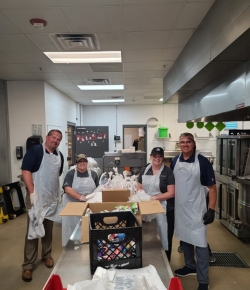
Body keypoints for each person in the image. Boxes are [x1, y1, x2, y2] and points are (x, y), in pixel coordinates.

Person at [171, 133, 217, 290]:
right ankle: (190, 265)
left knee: (201, 244)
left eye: (188, 142)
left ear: (193, 143)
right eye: (182, 142)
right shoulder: (175, 161)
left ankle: (203, 281)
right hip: (181, 209)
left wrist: (211, 209)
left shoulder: (202, 162)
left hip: (197, 209)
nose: (185, 145)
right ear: (179, 144)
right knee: (184, 238)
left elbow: (212, 188)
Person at [21, 129, 64, 282]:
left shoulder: (60, 156)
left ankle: (46, 255)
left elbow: (56, 175)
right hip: (36, 198)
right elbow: (25, 171)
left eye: (59, 139)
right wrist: (32, 192)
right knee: (33, 229)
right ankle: (28, 265)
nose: (56, 141)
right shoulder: (36, 151)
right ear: (47, 137)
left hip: (51, 199)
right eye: (53, 137)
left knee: (48, 229)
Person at [137, 147, 175, 261]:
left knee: (164, 235)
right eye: (155, 156)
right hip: (147, 207)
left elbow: (171, 193)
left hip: (164, 208)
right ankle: (150, 260)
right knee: (149, 234)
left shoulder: (168, 172)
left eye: (159, 156)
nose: (157, 159)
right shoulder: (144, 170)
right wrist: (144, 196)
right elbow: (139, 187)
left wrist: (154, 198)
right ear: (151, 157)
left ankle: (166, 262)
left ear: (162, 158)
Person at [62, 154, 99, 246]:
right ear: (76, 163)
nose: (82, 163)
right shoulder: (70, 174)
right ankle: (72, 245)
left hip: (88, 205)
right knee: (73, 227)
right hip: (73, 205)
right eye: (80, 161)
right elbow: (67, 189)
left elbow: (97, 189)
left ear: (87, 163)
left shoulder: (93, 174)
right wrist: (80, 197)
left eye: (84, 161)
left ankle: (89, 243)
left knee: (88, 225)